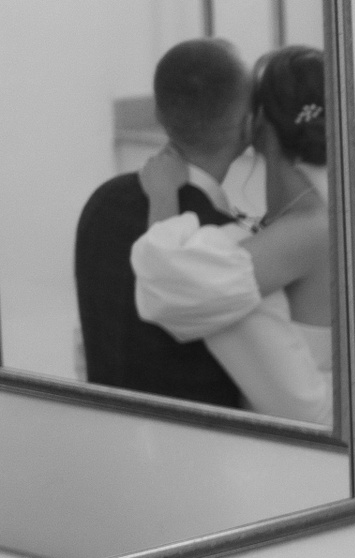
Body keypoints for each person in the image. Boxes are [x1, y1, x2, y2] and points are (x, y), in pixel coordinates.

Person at [132, 44, 333, 426]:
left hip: (307, 436)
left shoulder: (309, 228)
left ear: (256, 124)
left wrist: (162, 197)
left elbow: (170, 289)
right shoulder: (303, 217)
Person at [72, 38, 252, 407]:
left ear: (158, 112)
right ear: (247, 126)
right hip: (204, 438)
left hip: (104, 428)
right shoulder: (227, 243)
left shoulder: (102, 202)